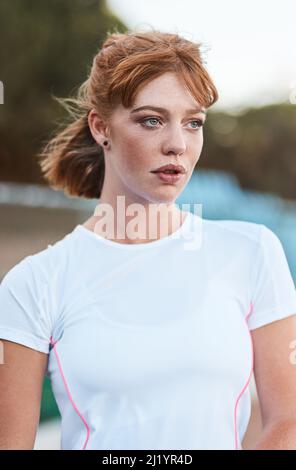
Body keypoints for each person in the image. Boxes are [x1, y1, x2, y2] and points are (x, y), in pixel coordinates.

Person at [1, 28, 296, 451]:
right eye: (151, 120)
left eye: (193, 123)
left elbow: (288, 420)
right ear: (101, 127)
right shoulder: (33, 284)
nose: (177, 144)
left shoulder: (253, 253)